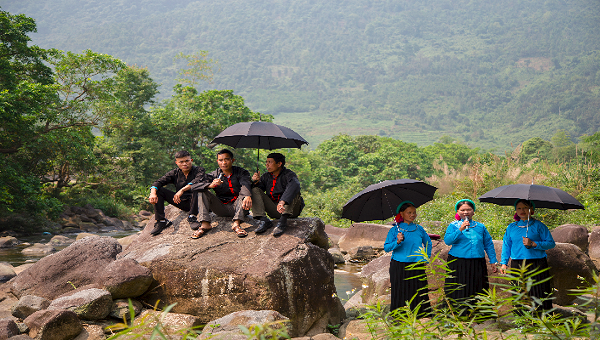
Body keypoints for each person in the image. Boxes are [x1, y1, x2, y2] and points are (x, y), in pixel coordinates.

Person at [499, 199, 556, 311]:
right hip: (517, 263)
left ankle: (541, 319)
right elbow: (506, 245)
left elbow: (551, 243)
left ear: (532, 210)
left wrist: (534, 243)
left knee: (539, 291)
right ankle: (521, 320)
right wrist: (504, 263)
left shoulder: (539, 226)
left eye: (525, 207)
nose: (522, 210)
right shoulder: (511, 227)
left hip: (537, 263)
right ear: (516, 210)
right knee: (518, 291)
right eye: (519, 208)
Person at [444, 199, 498, 312]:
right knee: (459, 288)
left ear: (473, 212)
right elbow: (448, 241)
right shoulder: (453, 225)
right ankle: (458, 312)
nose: (466, 212)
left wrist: (493, 261)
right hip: (458, 263)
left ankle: (478, 312)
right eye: (462, 210)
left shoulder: (480, 227)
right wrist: (460, 229)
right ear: (457, 212)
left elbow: (488, 244)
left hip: (477, 262)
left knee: (477, 286)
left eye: (468, 209)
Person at [384, 201, 432, 315]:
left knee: (419, 289)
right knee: (399, 290)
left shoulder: (419, 228)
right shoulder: (395, 230)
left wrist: (426, 258)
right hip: (399, 265)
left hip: (417, 264)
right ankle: (400, 314)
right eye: (409, 212)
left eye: (414, 212)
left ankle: (421, 313)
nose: (412, 215)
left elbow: (428, 243)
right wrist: (397, 241)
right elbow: (386, 248)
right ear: (402, 214)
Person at [191, 149, 253, 239]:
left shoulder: (242, 172)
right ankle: (205, 224)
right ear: (217, 161)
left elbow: (245, 183)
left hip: (239, 207)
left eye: (226, 159)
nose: (223, 162)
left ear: (232, 160)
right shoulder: (214, 174)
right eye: (220, 160)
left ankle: (236, 224)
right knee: (202, 190)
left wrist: (247, 195)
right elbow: (194, 186)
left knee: (245, 194)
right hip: (220, 208)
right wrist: (210, 185)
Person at [148, 150, 210, 236]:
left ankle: (192, 217)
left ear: (191, 160)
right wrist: (153, 193)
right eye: (181, 162)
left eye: (187, 161)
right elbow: (159, 182)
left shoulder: (199, 170)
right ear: (177, 163)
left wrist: (182, 190)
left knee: (197, 187)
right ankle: (161, 221)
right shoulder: (174, 173)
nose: (185, 164)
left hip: (197, 203)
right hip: (182, 202)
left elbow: (197, 181)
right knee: (159, 190)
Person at [251, 152, 304, 236]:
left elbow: (295, 185)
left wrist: (283, 201)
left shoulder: (289, 174)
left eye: (270, 162)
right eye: (266, 162)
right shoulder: (266, 176)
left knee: (294, 189)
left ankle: (282, 223)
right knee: (254, 189)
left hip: (291, 211)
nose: (267, 165)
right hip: (274, 210)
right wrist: (255, 182)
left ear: (279, 164)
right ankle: (264, 220)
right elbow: (259, 192)